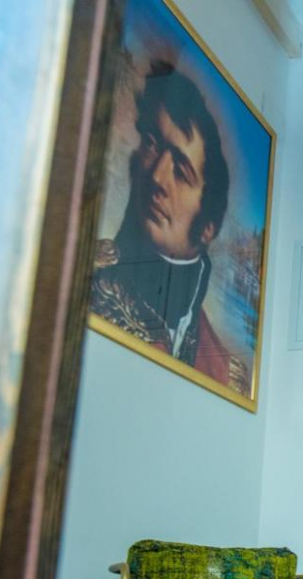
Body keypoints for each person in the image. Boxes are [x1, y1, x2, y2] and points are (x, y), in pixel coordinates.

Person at [90, 60, 236, 384]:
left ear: (208, 226)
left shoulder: (224, 368)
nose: (157, 177)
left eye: (180, 171)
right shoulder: (87, 280)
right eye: (152, 145)